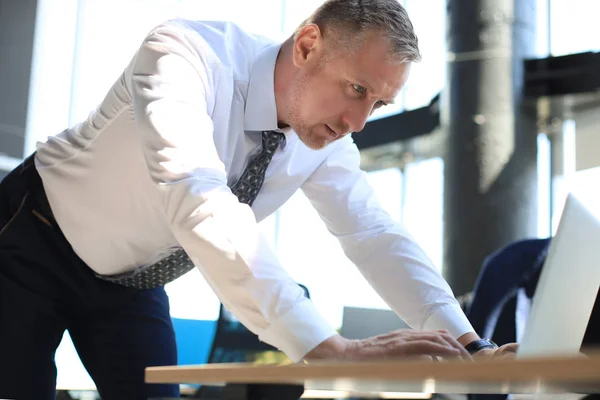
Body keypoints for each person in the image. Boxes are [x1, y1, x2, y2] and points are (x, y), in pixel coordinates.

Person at [0, 0, 517, 399]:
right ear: (308, 44)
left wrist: (471, 346)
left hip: (133, 281)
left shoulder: (323, 141)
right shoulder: (184, 55)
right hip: (32, 237)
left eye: (378, 104)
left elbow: (373, 234)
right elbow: (197, 195)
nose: (356, 123)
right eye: (356, 88)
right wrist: (327, 348)